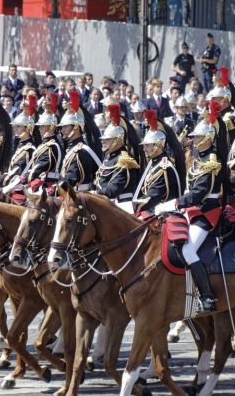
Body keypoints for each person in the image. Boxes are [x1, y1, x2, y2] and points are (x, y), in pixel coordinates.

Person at [154, 101, 227, 313]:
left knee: (187, 249)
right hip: (193, 211)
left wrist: (174, 203)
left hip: (207, 214)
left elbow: (198, 194)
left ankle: (207, 296)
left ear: (207, 139)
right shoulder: (198, 159)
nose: (192, 140)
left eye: (196, 137)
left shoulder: (212, 162)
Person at [132, 110, 182, 216]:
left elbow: (154, 195)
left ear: (158, 145)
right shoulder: (154, 163)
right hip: (152, 210)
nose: (144, 149)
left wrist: (134, 206)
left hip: (163, 213)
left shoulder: (164, 167)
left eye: (147, 145)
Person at [94, 104, 140, 208]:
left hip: (122, 207)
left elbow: (112, 190)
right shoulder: (109, 157)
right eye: (103, 139)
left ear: (118, 140)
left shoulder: (124, 160)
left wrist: (94, 194)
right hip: (108, 205)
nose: (103, 142)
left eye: (107, 139)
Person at [23, 93, 62, 192]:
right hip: (38, 183)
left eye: (43, 126)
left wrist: (22, 179)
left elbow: (39, 169)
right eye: (39, 126)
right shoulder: (45, 144)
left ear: (52, 127)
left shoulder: (51, 146)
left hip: (46, 187)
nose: (39, 129)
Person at [1, 95, 38, 196]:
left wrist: (1, 180)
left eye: (18, 126)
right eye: (15, 126)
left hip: (19, 189)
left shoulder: (29, 148)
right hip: (11, 185)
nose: (15, 129)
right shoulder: (21, 145)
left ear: (27, 128)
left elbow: (19, 171)